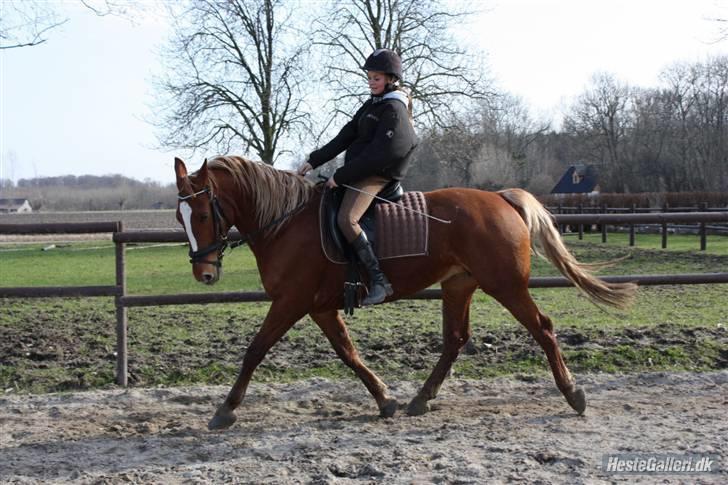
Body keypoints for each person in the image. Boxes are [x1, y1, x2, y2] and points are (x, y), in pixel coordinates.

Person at [298, 48, 418, 305]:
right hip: (360, 171)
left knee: (347, 219)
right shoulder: (373, 104)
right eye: (369, 77)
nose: (371, 82)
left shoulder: (394, 108)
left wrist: (340, 176)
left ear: (390, 79)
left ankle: (378, 281)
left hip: (377, 176)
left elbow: (380, 154)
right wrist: (313, 160)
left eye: (376, 78)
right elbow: (347, 135)